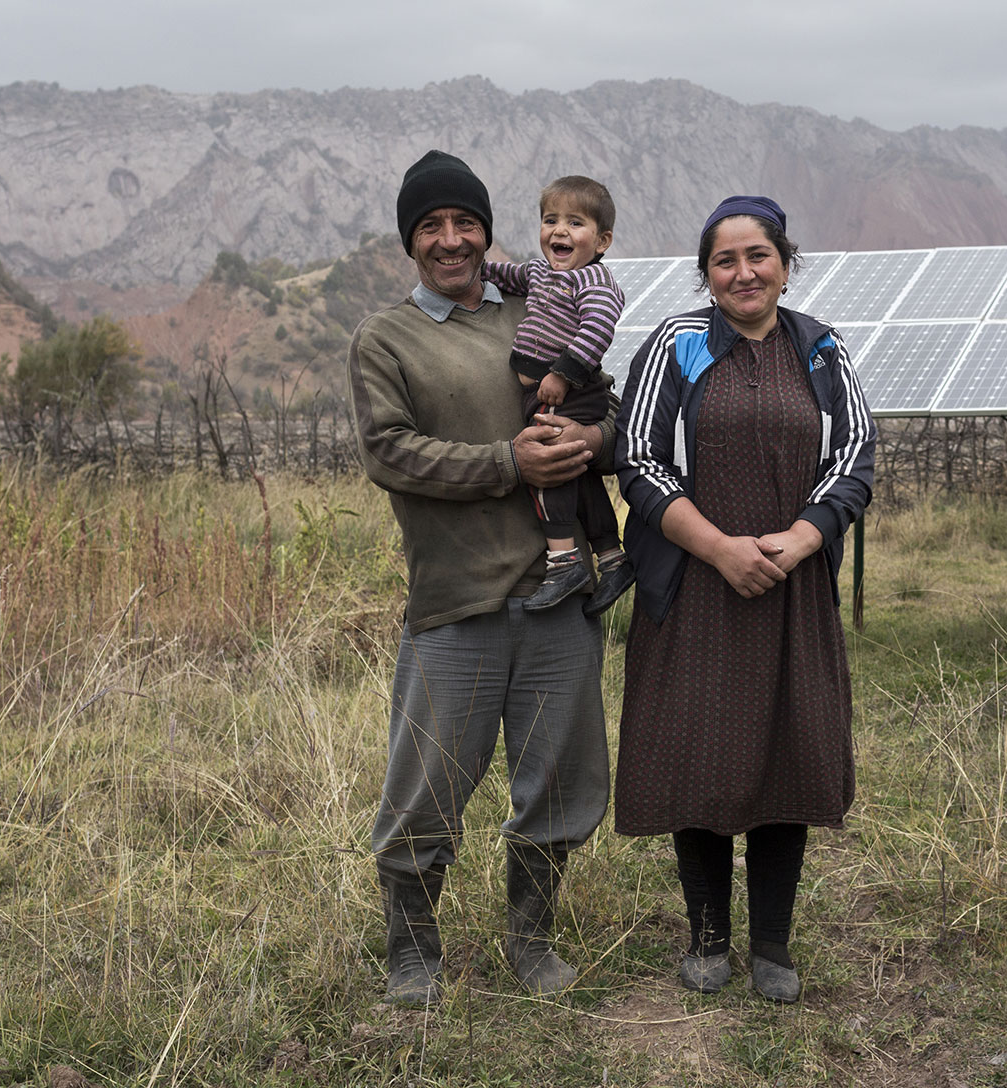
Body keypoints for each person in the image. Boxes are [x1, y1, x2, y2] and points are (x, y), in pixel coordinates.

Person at [348, 149, 613, 1006]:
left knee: (557, 781)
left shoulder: (545, 303)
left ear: (487, 232)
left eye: (465, 223)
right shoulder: (386, 338)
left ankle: (530, 941)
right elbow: (390, 452)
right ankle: (413, 952)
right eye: (432, 226)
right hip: (455, 599)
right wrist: (509, 463)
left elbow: (601, 406)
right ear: (410, 241)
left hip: (557, 592)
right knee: (425, 787)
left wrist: (588, 445)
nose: (452, 240)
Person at [612, 194, 876, 1003]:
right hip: (696, 585)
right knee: (699, 753)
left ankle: (772, 946)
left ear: (785, 263)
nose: (742, 272)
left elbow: (855, 452)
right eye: (724, 260)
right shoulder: (678, 344)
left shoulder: (822, 349)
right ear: (707, 274)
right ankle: (707, 937)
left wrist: (800, 539)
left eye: (757, 255)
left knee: (785, 753)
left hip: (790, 591)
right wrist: (722, 548)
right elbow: (639, 457)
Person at [480, 175, 633, 615]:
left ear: (602, 240)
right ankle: (613, 559)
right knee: (580, 478)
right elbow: (503, 274)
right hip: (548, 392)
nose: (560, 231)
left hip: (568, 393)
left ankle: (564, 561)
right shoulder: (539, 272)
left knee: (547, 471)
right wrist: (475, 268)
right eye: (551, 220)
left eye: (575, 223)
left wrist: (563, 375)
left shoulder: (594, 281)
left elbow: (597, 329)